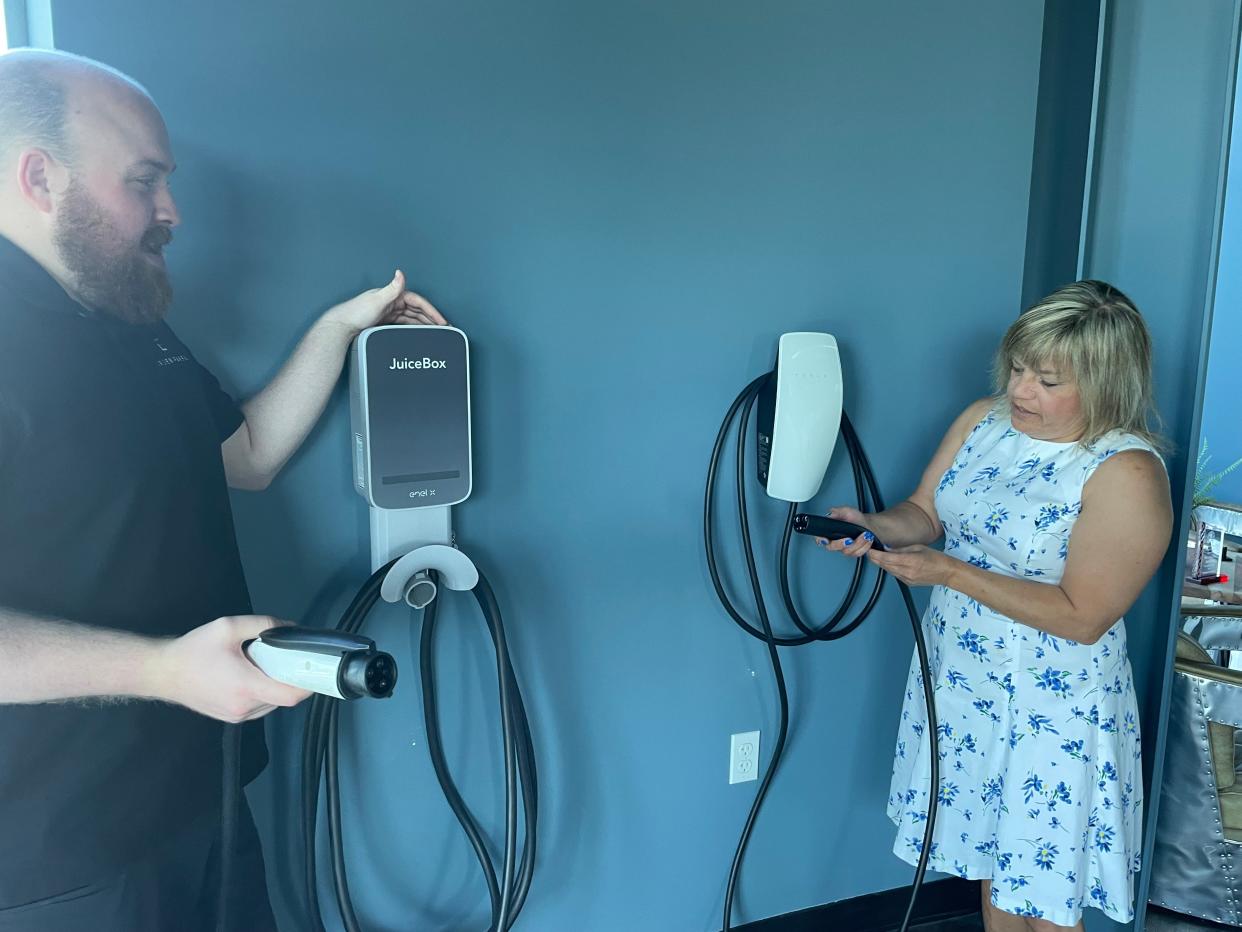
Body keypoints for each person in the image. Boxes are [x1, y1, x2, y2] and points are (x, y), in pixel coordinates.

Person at [0, 49, 447, 930]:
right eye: (143, 182)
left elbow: (246, 455)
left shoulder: (128, 313)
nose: (172, 211)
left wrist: (341, 327)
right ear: (39, 177)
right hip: (65, 848)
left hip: (205, 789)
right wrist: (161, 670)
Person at [820, 281, 1173, 932]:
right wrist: (873, 524)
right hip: (966, 684)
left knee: (1044, 887)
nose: (1020, 391)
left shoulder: (1126, 474)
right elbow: (926, 511)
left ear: (1104, 385)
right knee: (994, 864)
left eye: (1046, 380)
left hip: (1053, 706)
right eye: (1017, 368)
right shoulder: (983, 422)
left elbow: (1081, 614)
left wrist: (949, 572)